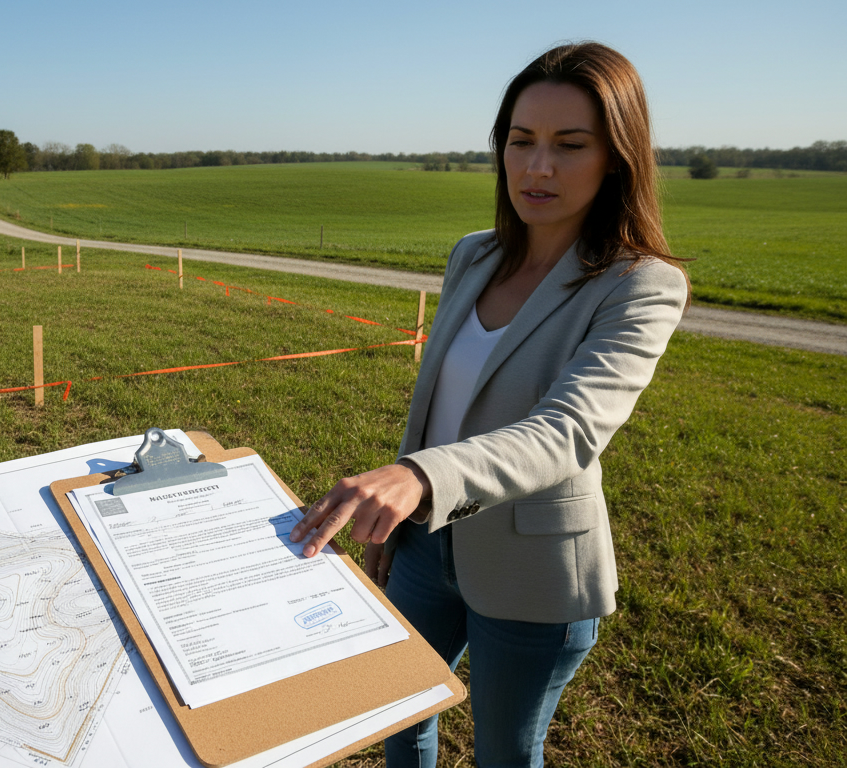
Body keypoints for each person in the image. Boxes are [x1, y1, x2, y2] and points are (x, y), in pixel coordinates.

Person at [288, 42, 690, 768]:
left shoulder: (640, 285)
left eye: (570, 146)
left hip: (534, 569)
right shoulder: (472, 255)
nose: (538, 168)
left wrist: (422, 477)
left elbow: (566, 432)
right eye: (521, 141)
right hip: (421, 544)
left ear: (617, 158)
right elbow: (438, 398)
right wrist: (402, 513)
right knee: (395, 715)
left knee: (506, 752)